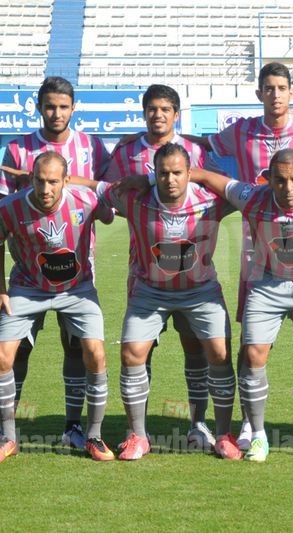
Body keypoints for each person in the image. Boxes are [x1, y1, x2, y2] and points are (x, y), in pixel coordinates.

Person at [188, 62, 293, 451]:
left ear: (292, 92)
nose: (276, 94)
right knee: (254, 347)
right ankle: (249, 424)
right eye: (269, 88)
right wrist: (157, 142)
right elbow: (205, 147)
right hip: (257, 252)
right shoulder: (241, 130)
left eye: (282, 87)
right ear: (259, 93)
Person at [76, 143, 241, 460]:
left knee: (220, 354)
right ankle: (138, 436)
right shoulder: (134, 198)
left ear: (189, 173)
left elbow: (249, 193)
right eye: (163, 173)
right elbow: (94, 187)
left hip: (201, 291)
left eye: (178, 172)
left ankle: (223, 435)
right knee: (131, 353)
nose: (170, 179)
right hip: (150, 292)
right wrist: (55, 179)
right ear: (154, 174)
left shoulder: (211, 200)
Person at [0, 76, 111, 453]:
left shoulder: (92, 145)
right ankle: (6, 430)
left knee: (76, 348)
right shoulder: (18, 148)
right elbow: (0, 209)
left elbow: (106, 195)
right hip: (28, 273)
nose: (56, 113)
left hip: (77, 273)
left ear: (73, 108)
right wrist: (29, 191)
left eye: (63, 106)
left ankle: (75, 427)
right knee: (18, 349)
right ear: (38, 107)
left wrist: (75, 185)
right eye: (50, 106)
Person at [104, 84, 219, 449]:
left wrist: (151, 178)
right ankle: (138, 430)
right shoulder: (126, 151)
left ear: (176, 114)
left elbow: (210, 188)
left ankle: (198, 423)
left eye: (166, 109)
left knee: (194, 345)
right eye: (152, 109)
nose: (158, 115)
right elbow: (109, 191)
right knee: (141, 348)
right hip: (144, 267)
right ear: (143, 113)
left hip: (192, 267)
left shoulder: (196, 151)